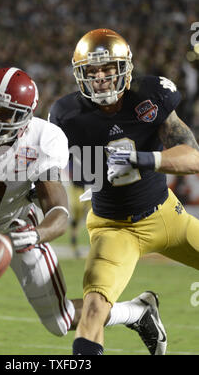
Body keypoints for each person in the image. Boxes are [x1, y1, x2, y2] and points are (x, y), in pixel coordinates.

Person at [0, 67, 167, 355]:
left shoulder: (44, 139)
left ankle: (136, 312)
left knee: (60, 321)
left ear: (26, 117)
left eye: (5, 113)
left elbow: (58, 211)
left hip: (17, 226)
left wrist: (35, 235)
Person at [49, 28, 199, 356]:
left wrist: (140, 159)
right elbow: (48, 174)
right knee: (91, 312)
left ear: (126, 67)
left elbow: (192, 157)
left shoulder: (151, 95)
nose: (101, 77)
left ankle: (141, 311)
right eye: (92, 71)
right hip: (112, 227)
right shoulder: (66, 116)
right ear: (80, 75)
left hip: (166, 216)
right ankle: (138, 314)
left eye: (107, 68)